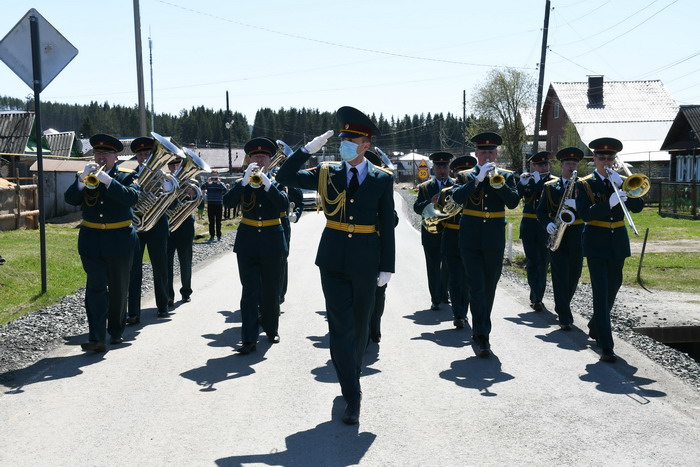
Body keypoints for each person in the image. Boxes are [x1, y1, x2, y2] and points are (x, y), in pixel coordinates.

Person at [276, 106, 395, 425]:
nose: (344, 144)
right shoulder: (326, 171)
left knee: (358, 330)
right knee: (340, 329)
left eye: (351, 139)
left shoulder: (383, 179)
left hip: (367, 262)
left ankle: (350, 374)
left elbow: (387, 223)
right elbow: (283, 177)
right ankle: (353, 395)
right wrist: (305, 151)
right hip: (333, 260)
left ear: (366, 144)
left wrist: (388, 266)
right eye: (342, 139)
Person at [64, 133, 139, 351]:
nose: (101, 157)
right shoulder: (85, 176)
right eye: (97, 152)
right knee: (95, 288)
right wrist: (80, 181)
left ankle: (115, 331)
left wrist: (108, 181)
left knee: (118, 289)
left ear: (116, 156)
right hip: (92, 239)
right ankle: (96, 337)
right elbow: (71, 199)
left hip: (120, 239)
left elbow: (131, 198)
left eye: (106, 153)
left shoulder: (127, 175)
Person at [450, 132, 520, 357]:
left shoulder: (507, 176)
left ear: (497, 154)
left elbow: (513, 202)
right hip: (470, 237)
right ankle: (482, 335)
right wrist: (477, 179)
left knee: (489, 286)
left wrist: (497, 184)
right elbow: (457, 198)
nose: (487, 155)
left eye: (491, 152)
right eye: (483, 151)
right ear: (476, 154)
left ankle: (480, 325)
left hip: (493, 238)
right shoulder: (464, 176)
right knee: (477, 285)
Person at [577, 137, 644, 362]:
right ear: (594, 159)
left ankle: (597, 323)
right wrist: (610, 203)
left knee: (613, 287)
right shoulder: (584, 183)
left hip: (618, 242)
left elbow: (638, 208)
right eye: (602, 157)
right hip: (596, 241)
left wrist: (624, 185)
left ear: (615, 160)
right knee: (601, 291)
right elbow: (585, 215)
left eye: (610, 158)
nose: (606, 161)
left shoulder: (624, 179)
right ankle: (606, 345)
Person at [223, 137, 289, 354]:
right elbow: (227, 203)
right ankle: (249, 338)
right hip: (248, 242)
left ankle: (271, 329)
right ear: (249, 159)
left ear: (271, 160)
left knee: (271, 291)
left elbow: (283, 206)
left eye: (263, 156)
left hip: (271, 241)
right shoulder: (242, 183)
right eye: (255, 156)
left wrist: (268, 185)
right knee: (249, 292)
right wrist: (243, 182)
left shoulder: (277, 183)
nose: (259, 160)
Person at [537, 147, 585, 331]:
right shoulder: (550, 187)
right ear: (561, 165)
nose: (571, 166)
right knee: (559, 276)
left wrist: (578, 205)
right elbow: (540, 211)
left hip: (577, 234)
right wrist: (547, 224)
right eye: (568, 163)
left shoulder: (583, 185)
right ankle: (564, 315)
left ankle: (563, 305)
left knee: (574, 275)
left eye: (574, 164)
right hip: (557, 234)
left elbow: (590, 209)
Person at [126, 136, 171, 324]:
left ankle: (162, 305)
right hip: (137, 228)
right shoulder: (129, 176)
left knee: (160, 267)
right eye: (141, 154)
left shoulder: (163, 177)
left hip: (157, 226)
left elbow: (172, 203)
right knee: (133, 270)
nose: (144, 157)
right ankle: (134, 312)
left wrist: (169, 191)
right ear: (136, 157)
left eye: (148, 153)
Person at [413, 152, 453, 311]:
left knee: (449, 266)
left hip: (450, 232)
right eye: (439, 167)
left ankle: (445, 294)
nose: (442, 170)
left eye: (444, 167)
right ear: (433, 168)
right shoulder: (425, 187)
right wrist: (430, 201)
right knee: (433, 266)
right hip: (431, 232)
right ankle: (435, 298)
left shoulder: (456, 185)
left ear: (449, 168)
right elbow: (416, 208)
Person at [442, 154, 477, 329]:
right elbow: (439, 215)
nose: (464, 174)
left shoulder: (478, 189)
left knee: (469, 278)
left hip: (471, 238)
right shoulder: (448, 192)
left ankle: (464, 311)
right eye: (460, 172)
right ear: (455, 174)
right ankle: (459, 313)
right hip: (452, 238)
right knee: (456, 278)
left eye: (467, 171)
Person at [517, 151, 555, 311]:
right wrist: (520, 183)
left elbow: (544, 194)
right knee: (533, 262)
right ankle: (536, 297)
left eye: (545, 164)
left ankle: (538, 295)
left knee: (543, 262)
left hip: (545, 226)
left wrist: (539, 182)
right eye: (540, 165)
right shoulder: (528, 180)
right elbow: (516, 197)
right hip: (529, 225)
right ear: (533, 166)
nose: (543, 167)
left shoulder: (554, 182)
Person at [166, 157, 196, 305]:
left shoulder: (191, 182)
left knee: (185, 261)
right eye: (172, 164)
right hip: (168, 227)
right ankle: (168, 295)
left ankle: (186, 292)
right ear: (169, 167)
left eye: (178, 164)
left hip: (185, 226)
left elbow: (198, 200)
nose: (175, 167)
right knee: (166, 263)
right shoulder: (163, 181)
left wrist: (190, 193)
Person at [202, 171, 227, 241]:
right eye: (213, 176)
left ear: (218, 176)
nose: (214, 178)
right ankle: (212, 236)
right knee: (211, 221)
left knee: (218, 221)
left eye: (216, 176)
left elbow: (225, 191)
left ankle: (219, 235)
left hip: (218, 204)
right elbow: (202, 187)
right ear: (211, 176)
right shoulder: (209, 184)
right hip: (210, 204)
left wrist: (220, 184)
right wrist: (207, 182)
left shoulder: (221, 184)